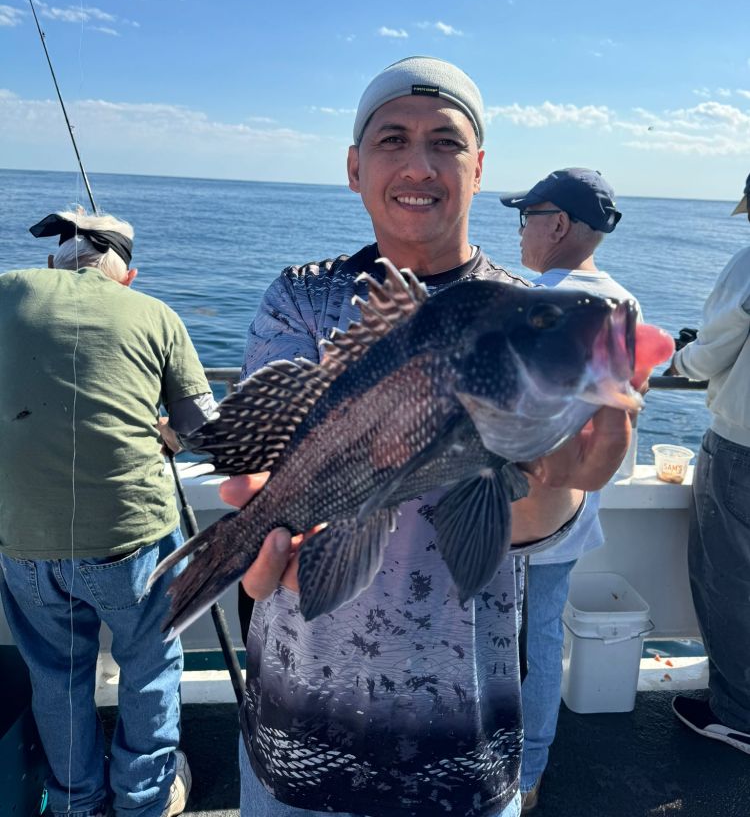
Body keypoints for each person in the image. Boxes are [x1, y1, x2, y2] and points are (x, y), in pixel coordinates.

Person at [222, 57, 636, 817]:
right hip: (295, 726)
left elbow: (526, 525)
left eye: (445, 143)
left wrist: (566, 487)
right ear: (354, 167)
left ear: (478, 169)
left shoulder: (525, 312)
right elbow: (268, 472)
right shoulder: (303, 297)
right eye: (392, 139)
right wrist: (255, 544)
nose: (419, 164)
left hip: (464, 744)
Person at [0, 210, 215, 817]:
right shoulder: (155, 314)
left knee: (57, 674)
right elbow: (205, 429)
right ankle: (144, 800)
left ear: (53, 260)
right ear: (128, 273)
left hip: (23, 540)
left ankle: (75, 801)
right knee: (150, 664)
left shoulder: (8, 291)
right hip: (132, 540)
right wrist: (169, 434)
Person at [500, 169, 641, 812]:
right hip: (577, 511)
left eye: (526, 215)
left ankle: (520, 775)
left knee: (508, 645)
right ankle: (529, 767)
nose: (522, 230)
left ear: (556, 224)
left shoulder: (528, 301)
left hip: (517, 516)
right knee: (541, 635)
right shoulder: (624, 302)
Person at [667, 172, 750, 755]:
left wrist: (680, 357)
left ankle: (738, 715)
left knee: (728, 579)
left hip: (742, 450)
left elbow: (709, 353)